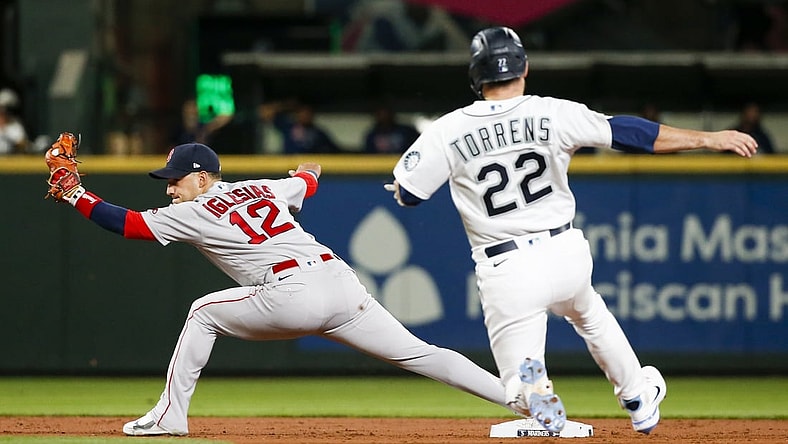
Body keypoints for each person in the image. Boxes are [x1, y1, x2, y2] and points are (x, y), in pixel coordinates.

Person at [385, 27, 758, 435]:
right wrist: (708, 137)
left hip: (506, 266)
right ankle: (637, 397)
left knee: (516, 386)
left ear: (476, 76)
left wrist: (403, 191)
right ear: (524, 67)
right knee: (590, 314)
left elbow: (410, 193)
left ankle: (534, 388)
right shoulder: (553, 112)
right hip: (564, 251)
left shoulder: (449, 129)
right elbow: (630, 133)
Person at [48, 141, 524, 436]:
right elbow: (305, 185)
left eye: (175, 181)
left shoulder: (194, 209)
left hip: (291, 292)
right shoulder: (262, 187)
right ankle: (527, 401)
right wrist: (309, 170)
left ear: (200, 177)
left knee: (201, 312)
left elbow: (126, 224)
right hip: (341, 283)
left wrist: (74, 194)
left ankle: (170, 417)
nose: (169, 189)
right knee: (421, 353)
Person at [258, 101, 341, 154]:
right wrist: (287, 105)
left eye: (307, 113)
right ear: (297, 114)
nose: (305, 116)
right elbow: (264, 112)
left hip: (308, 166)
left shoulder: (318, 132)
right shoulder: (288, 126)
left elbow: (334, 150)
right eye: (302, 113)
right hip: (288, 164)